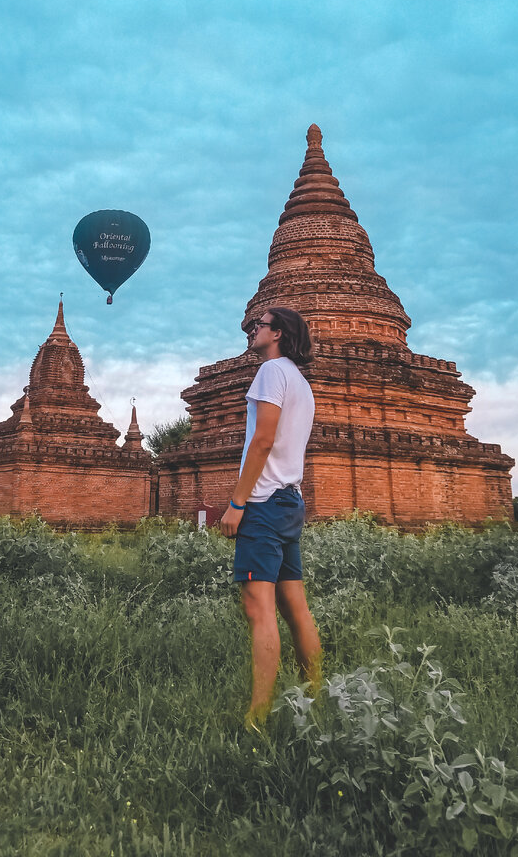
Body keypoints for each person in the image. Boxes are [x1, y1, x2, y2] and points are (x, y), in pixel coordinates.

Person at [220, 307, 323, 729]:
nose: (252, 330)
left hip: (262, 503)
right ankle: (315, 695)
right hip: (290, 500)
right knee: (295, 606)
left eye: (258, 325)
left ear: (277, 334)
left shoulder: (271, 372)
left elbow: (262, 440)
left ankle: (257, 716)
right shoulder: (301, 383)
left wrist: (238, 502)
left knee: (258, 608)